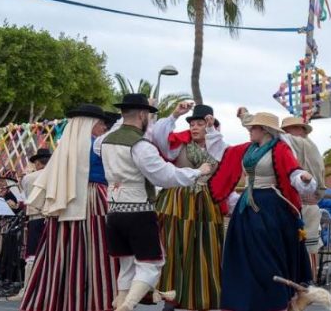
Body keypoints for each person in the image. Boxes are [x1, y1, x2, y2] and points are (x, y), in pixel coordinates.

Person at [100, 94, 212, 311]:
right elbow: (165, 176)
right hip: (138, 211)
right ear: (143, 114)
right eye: (149, 117)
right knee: (151, 264)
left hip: (113, 211)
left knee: (127, 264)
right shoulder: (140, 145)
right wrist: (198, 171)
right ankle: (128, 306)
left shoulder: (105, 141)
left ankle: (120, 302)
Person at [209, 112, 316, 311]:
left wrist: (304, 178)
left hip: (270, 206)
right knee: (243, 255)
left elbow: (293, 170)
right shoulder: (247, 149)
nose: (250, 130)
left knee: (267, 255)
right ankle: (245, 301)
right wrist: (210, 131)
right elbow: (223, 152)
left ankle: (275, 300)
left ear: (265, 130)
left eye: (253, 128)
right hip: (247, 207)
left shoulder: (279, 149)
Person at [22, 104, 119, 311]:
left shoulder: (64, 148)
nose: (104, 127)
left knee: (64, 253)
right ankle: (98, 302)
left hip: (66, 202)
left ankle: (63, 301)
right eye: (101, 122)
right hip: (94, 199)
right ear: (90, 123)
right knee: (98, 252)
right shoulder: (97, 145)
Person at [149, 103, 226, 311]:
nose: (194, 127)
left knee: (205, 247)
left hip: (206, 201)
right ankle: (170, 297)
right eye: (192, 123)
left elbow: (219, 156)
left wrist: (211, 131)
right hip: (177, 199)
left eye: (200, 123)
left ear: (210, 125)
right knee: (174, 246)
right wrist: (174, 114)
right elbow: (157, 136)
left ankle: (203, 296)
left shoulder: (217, 145)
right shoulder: (178, 144)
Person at [277, 115, 327, 272]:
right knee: (305, 248)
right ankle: (305, 285)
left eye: (288, 129)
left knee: (307, 248)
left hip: (302, 204)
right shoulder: (308, 146)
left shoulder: (297, 143)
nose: (286, 133)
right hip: (303, 204)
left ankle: (307, 285)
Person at [9, 149, 52, 301]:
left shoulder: (29, 178)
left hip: (36, 217)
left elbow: (27, 197)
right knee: (51, 253)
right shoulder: (57, 174)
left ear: (38, 163)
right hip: (53, 218)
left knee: (32, 253)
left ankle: (28, 289)